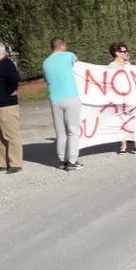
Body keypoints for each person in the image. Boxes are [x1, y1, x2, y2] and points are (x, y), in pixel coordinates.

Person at [43, 38, 83, 171]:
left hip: (55, 99)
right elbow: (76, 60)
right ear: (62, 46)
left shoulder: (45, 63)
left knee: (60, 132)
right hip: (70, 96)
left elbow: (46, 80)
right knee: (73, 131)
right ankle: (72, 160)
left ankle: (61, 160)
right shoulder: (68, 55)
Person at [0, 41, 23, 174]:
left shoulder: (7, 64)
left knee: (10, 135)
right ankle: (1, 163)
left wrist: (11, 90)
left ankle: (15, 163)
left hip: (6, 107)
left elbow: (15, 78)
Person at [108, 41, 136, 154]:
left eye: (127, 51)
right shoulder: (111, 67)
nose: (126, 53)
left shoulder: (128, 65)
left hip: (132, 96)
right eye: (123, 52)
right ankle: (123, 146)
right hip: (119, 97)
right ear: (117, 53)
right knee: (122, 121)